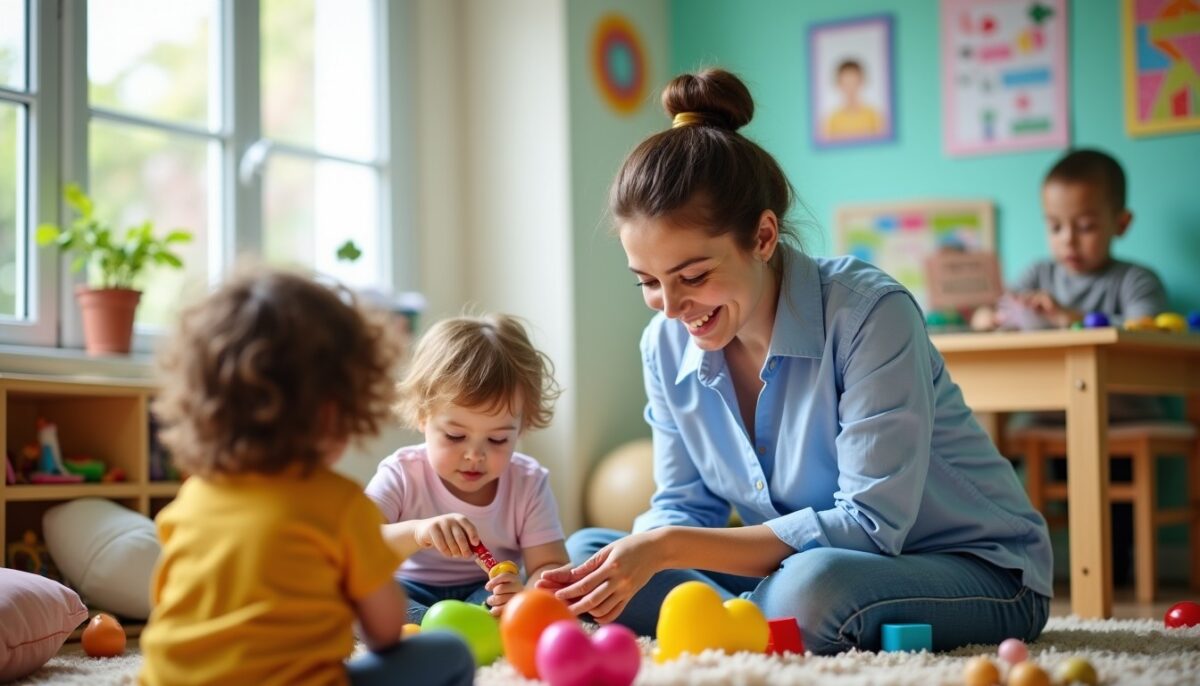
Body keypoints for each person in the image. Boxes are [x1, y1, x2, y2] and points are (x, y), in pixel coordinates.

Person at [536, 69, 1052, 655]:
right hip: (796, 568)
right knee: (588, 557)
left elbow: (869, 527)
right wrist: (642, 553)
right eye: (648, 282)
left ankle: (745, 618)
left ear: (762, 236)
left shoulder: (868, 313)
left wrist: (668, 551)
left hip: (969, 568)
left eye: (694, 276)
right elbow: (685, 507)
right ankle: (751, 620)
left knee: (812, 587)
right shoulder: (664, 342)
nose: (673, 307)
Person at [140, 269, 474, 686]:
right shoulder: (339, 504)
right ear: (333, 410)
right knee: (451, 653)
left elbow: (166, 605)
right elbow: (385, 630)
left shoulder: (192, 498)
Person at [973, 148, 1170, 585]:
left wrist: (1070, 318)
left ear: (1120, 224)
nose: (1069, 240)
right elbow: (1002, 311)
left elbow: (1150, 329)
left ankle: (1114, 568)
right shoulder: (1038, 273)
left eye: (1085, 226)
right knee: (996, 460)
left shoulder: (1135, 279)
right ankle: (1017, 564)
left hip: (1120, 418)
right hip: (1051, 416)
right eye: (1056, 226)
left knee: (1110, 501)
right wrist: (991, 317)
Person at [366, 314, 569, 623]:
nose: (475, 455)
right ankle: (448, 633)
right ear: (423, 417)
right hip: (410, 589)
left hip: (484, 592)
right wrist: (418, 531)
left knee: (516, 610)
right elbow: (358, 543)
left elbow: (549, 565)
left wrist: (522, 596)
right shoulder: (402, 473)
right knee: (365, 598)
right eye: (455, 436)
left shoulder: (528, 482)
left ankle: (452, 634)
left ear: (522, 427)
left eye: (498, 439)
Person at [822, 59, 884, 139]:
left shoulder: (874, 116)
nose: (850, 88)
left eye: (853, 82)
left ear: (861, 82)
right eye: (846, 83)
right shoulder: (832, 119)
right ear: (839, 84)